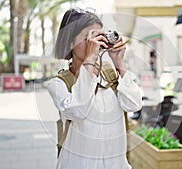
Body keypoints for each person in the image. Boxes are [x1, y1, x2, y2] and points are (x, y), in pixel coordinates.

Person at [46, 8, 142, 169]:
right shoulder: (59, 84)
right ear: (70, 43)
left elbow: (134, 104)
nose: (95, 43)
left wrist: (120, 63)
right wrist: (90, 58)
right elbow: (79, 110)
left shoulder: (110, 75)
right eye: (87, 38)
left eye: (98, 36)